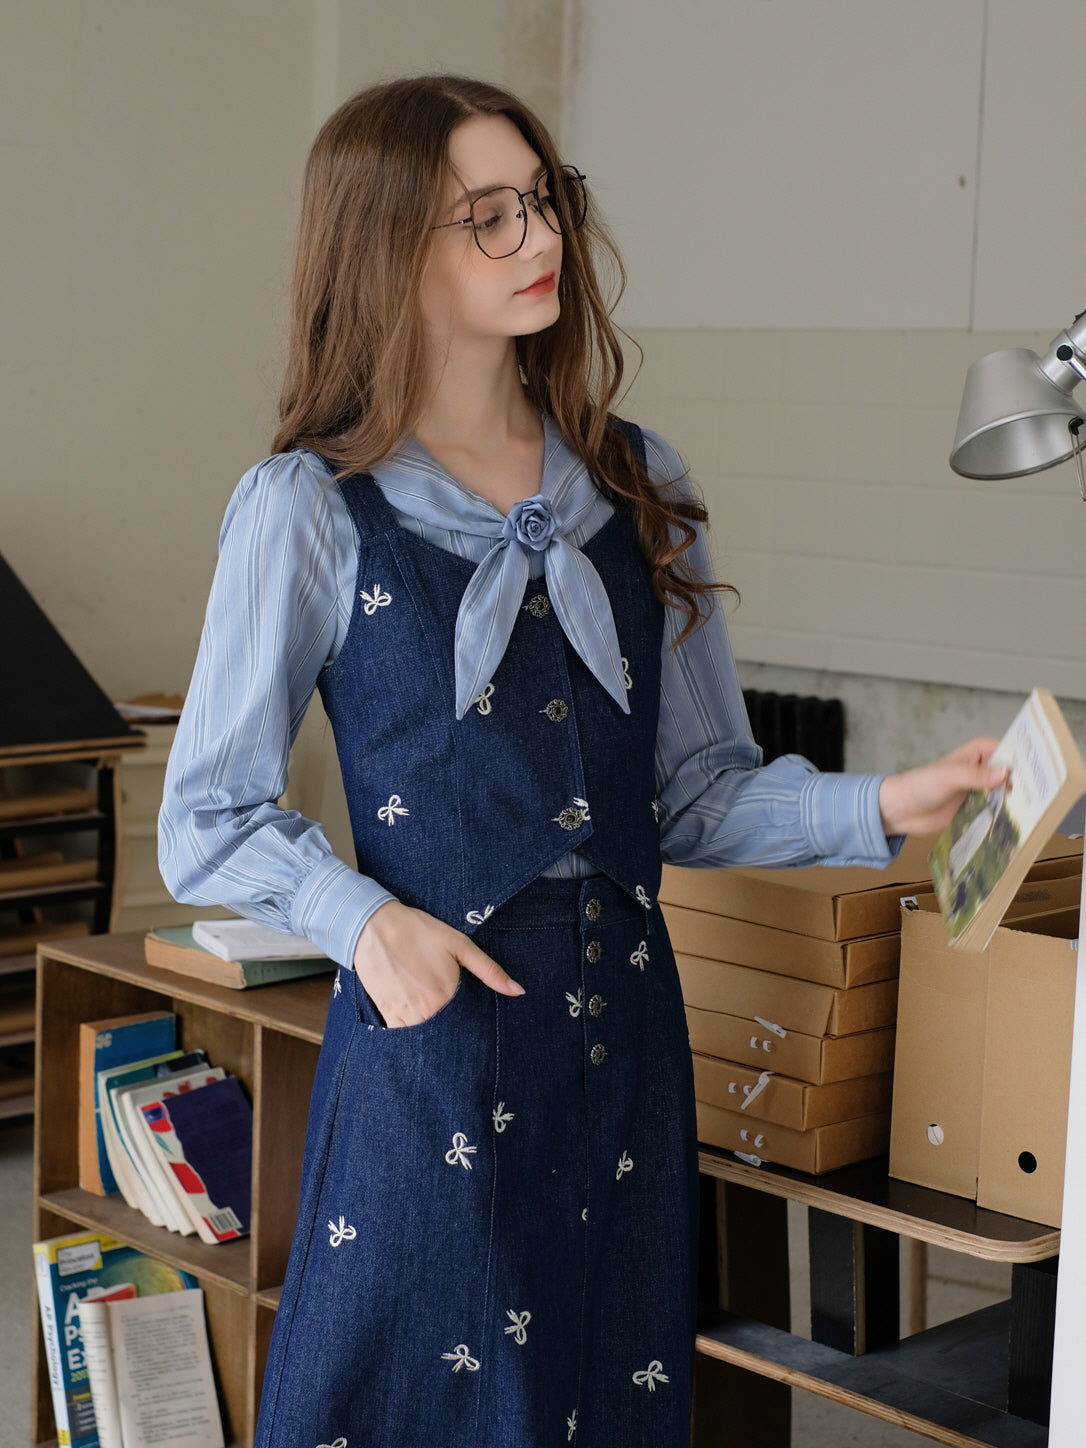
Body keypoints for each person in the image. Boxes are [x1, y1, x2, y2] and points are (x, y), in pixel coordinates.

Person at [159, 73, 1004, 1448]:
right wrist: (367, 929)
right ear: (386, 252)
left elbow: (692, 793)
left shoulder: (631, 481)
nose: (534, 237)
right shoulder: (310, 507)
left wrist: (885, 800)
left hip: (622, 1046)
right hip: (434, 1046)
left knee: (610, 1402)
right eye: (483, 218)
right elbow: (204, 816)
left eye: (539, 201)